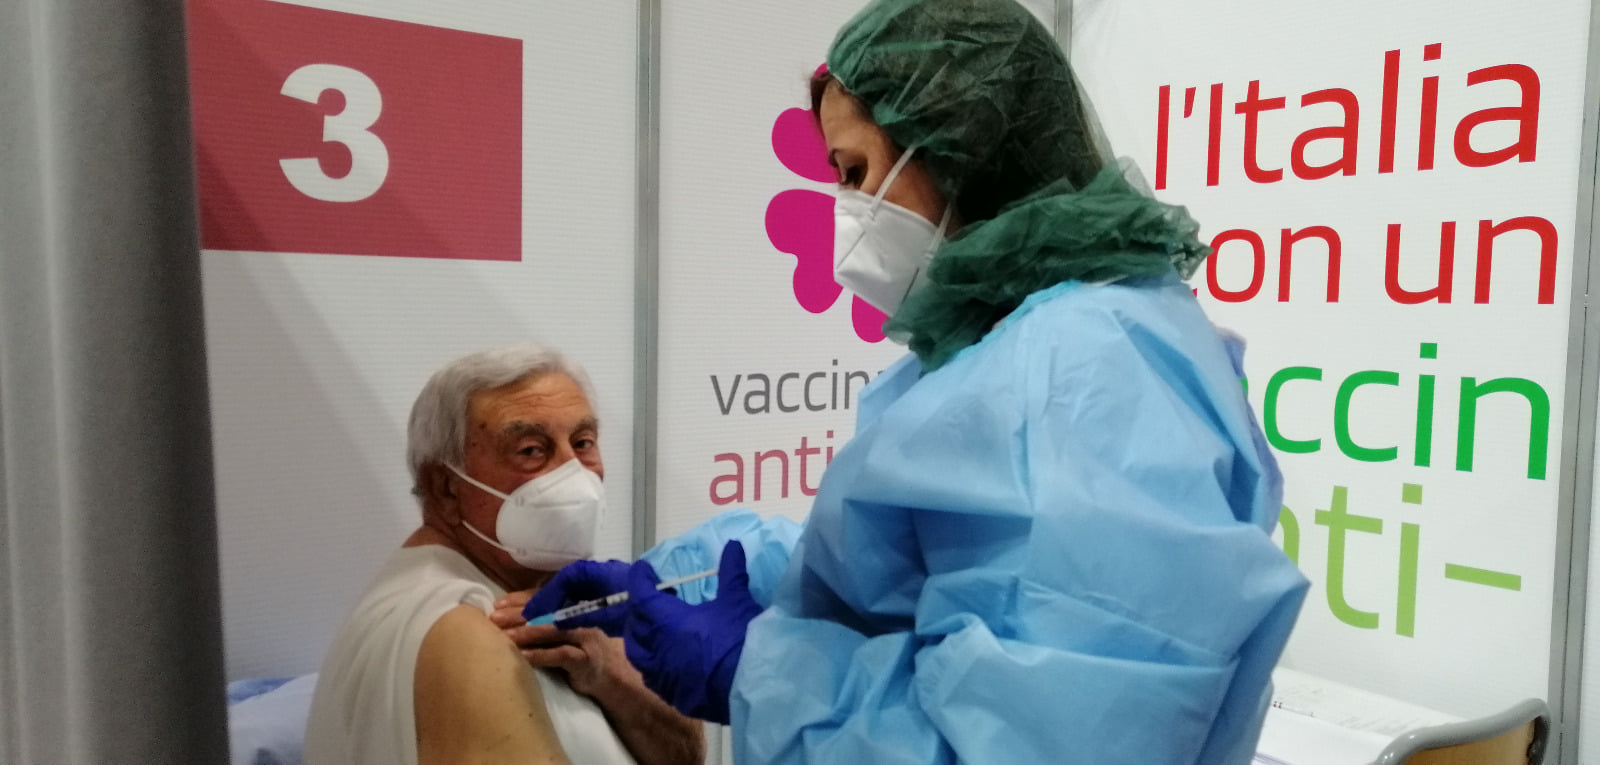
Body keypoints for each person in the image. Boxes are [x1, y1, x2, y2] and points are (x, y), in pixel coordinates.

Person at [526, 0, 1309, 762]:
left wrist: (757, 673)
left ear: (962, 149)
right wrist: (683, 574)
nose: (846, 210)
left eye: (856, 171)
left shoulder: (1077, 376)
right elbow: (915, 562)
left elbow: (1041, 740)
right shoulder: (1041, 341)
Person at [303, 345, 703, 765]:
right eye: (531, 450)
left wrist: (608, 671)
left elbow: (687, 754)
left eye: (582, 443)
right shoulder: (460, 630)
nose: (573, 472)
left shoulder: (565, 612)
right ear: (445, 487)